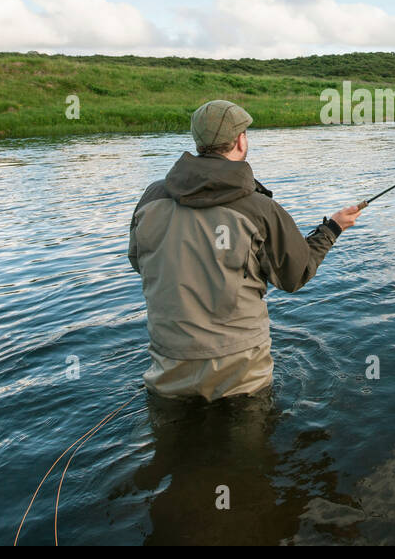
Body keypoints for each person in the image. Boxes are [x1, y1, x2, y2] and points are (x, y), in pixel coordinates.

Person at [128, 99, 362, 401]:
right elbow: (296, 275)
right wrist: (332, 229)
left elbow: (139, 260)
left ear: (198, 142)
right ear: (240, 141)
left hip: (168, 362)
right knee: (248, 445)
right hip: (240, 370)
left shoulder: (152, 197)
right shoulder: (261, 209)